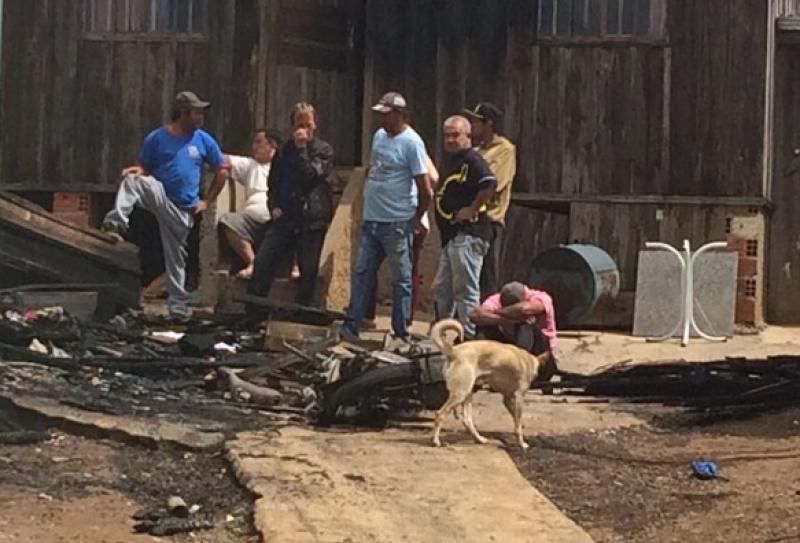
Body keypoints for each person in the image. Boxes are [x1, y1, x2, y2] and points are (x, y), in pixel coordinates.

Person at [102, 90, 228, 318]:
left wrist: (207, 201)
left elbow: (222, 171)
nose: (200, 117)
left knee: (176, 258)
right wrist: (135, 171)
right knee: (134, 180)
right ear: (183, 113)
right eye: (196, 113)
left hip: (184, 210)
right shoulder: (157, 138)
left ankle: (177, 308)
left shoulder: (203, 139)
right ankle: (115, 223)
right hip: (161, 197)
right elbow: (144, 168)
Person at [342, 92, 432, 340]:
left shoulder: (412, 143)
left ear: (399, 114)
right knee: (362, 274)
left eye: (386, 114)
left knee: (401, 278)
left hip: (397, 221)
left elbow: (425, 188)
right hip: (372, 219)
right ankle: (351, 326)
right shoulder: (379, 136)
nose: (381, 118)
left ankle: (401, 330)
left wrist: (416, 219)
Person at [246, 103, 334, 313]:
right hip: (285, 219)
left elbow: (310, 176)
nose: (304, 129)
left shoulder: (323, 150)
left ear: (315, 124)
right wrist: (273, 205)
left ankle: (301, 315)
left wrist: (303, 149)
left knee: (308, 270)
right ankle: (253, 311)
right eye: (299, 125)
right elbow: (273, 182)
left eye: (308, 124)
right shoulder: (284, 150)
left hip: (311, 220)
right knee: (264, 261)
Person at [432, 115, 497, 338]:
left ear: (468, 136)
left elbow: (489, 183)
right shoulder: (450, 160)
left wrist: (472, 208)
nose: (450, 140)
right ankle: (444, 335)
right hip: (451, 236)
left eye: (455, 135)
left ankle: (471, 339)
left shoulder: (472, 159)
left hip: (468, 235)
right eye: (446, 135)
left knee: (465, 290)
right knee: (442, 289)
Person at [464, 102, 517, 299]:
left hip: (490, 219)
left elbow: (494, 182)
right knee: (468, 273)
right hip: (471, 220)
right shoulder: (476, 151)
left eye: (476, 122)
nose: (472, 126)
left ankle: (489, 321)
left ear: (489, 124)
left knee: (487, 273)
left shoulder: (505, 150)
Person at [218, 129, 282, 279]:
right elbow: (222, 159)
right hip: (250, 224)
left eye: (259, 142)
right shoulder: (251, 166)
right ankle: (254, 263)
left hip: (276, 223)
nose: (254, 147)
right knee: (228, 221)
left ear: (272, 145)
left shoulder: (285, 165)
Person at [470, 280, 559, 379]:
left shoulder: (541, 297)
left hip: (540, 352)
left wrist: (498, 312)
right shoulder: (496, 299)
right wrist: (506, 319)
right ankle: (483, 367)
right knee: (484, 326)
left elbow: (523, 310)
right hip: (512, 347)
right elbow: (475, 315)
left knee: (525, 324)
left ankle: (529, 371)